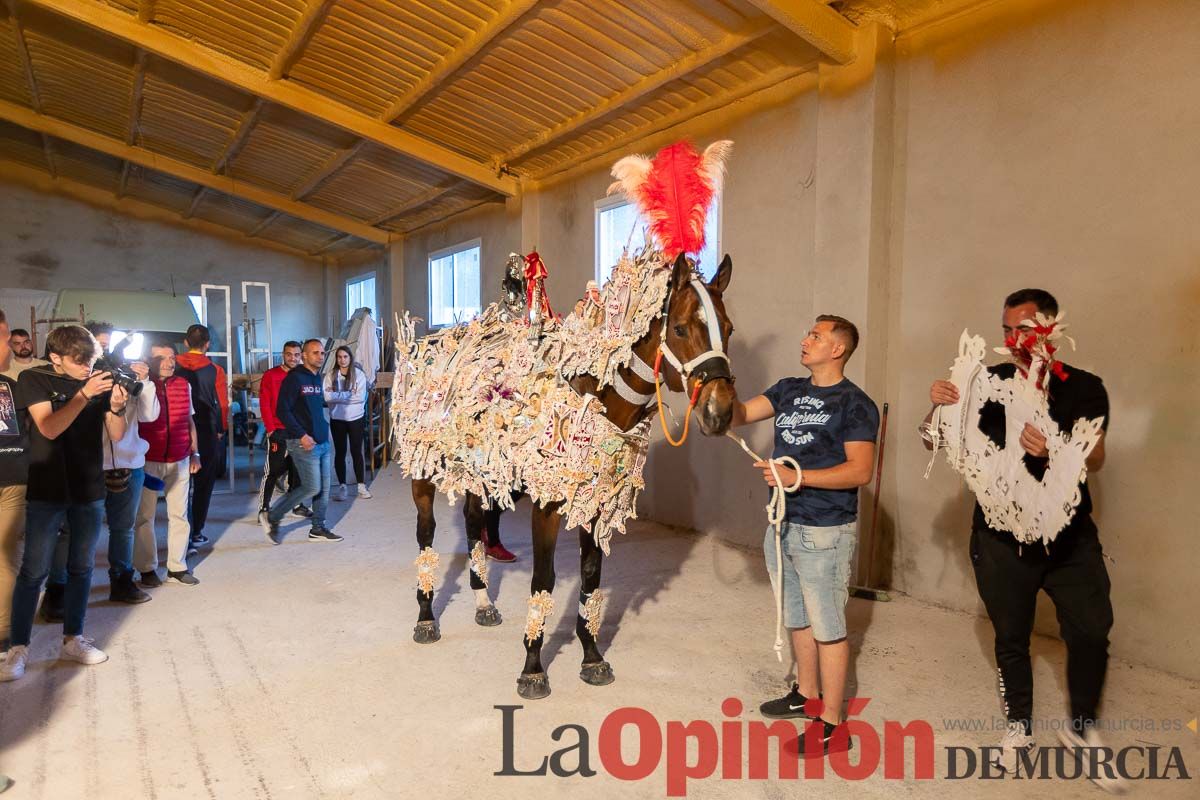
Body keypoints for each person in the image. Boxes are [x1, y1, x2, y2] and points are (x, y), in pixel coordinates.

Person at [922, 288, 1116, 784]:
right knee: (1011, 635)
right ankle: (1019, 728)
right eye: (1006, 329)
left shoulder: (1085, 387)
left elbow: (1095, 457)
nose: (1012, 339)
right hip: (1001, 538)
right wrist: (938, 408)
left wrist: (1058, 450)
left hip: (1068, 537)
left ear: (1052, 328)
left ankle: (1082, 729)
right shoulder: (989, 381)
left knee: (1092, 630)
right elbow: (935, 437)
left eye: (1024, 329)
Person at [729, 315, 879, 754]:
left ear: (838, 349)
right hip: (782, 523)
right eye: (808, 333)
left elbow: (860, 471)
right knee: (796, 615)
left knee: (828, 626)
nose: (805, 339)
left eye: (816, 336)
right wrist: (713, 386)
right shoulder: (788, 389)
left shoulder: (855, 404)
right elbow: (738, 414)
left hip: (825, 530)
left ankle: (833, 724)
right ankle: (807, 696)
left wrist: (795, 477)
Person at [1, 325, 131, 681]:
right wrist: (84, 395)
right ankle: (17, 649)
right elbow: (49, 428)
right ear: (55, 358)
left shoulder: (95, 379)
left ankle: (73, 639)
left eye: (91, 360)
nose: (87, 368)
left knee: (82, 567)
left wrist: (117, 408)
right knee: (34, 571)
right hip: (47, 489)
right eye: (79, 362)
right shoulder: (34, 379)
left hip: (88, 488)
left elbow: (115, 435)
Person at [260, 339, 342, 543]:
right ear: (304, 355)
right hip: (303, 442)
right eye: (315, 353)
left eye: (322, 353)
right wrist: (302, 435)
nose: (320, 357)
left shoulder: (316, 378)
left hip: (322, 441)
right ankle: (273, 516)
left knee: (323, 488)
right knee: (311, 487)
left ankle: (318, 528)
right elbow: (282, 410)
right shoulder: (294, 378)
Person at [135, 344, 202, 587]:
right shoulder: (139, 385)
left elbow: (189, 421)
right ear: (148, 360)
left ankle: (177, 566)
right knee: (145, 516)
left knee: (179, 515)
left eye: (172, 357)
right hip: (148, 461)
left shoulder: (184, 385)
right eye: (161, 357)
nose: (169, 362)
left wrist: (196, 453)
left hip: (180, 459)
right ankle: (146, 569)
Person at [100, 345, 159, 603]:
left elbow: (149, 416)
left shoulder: (130, 380)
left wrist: (144, 381)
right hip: (91, 465)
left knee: (124, 529)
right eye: (100, 346)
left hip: (129, 463)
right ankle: (61, 588)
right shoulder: (85, 380)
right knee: (77, 530)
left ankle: (122, 582)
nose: (106, 351)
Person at [176, 324, 229, 550]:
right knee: (203, 484)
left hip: (178, 427)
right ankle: (196, 532)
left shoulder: (172, 365)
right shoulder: (215, 370)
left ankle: (179, 536)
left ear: (186, 343)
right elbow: (222, 403)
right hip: (205, 428)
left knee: (177, 484)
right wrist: (221, 428)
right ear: (207, 344)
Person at [0, 310, 31, 653]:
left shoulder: (12, 385)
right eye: (5, 338)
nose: (9, 346)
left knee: (6, 557)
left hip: (12, 479)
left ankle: (5, 635)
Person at [257, 341, 311, 520]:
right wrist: (271, 429)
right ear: (283, 355)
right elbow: (264, 403)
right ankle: (264, 508)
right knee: (272, 470)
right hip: (278, 431)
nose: (293, 358)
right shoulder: (271, 375)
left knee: (298, 469)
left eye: (296, 355)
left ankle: (297, 504)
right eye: (289, 354)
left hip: (298, 431)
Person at [325, 345, 371, 501]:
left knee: (357, 452)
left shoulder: (359, 375)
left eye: (345, 357)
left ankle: (361, 486)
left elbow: (360, 398)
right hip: (337, 419)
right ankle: (342, 486)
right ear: (336, 359)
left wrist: (337, 396)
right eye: (339, 357)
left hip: (356, 418)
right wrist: (347, 395)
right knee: (340, 452)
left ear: (350, 358)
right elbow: (327, 397)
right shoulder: (330, 375)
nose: (342, 360)